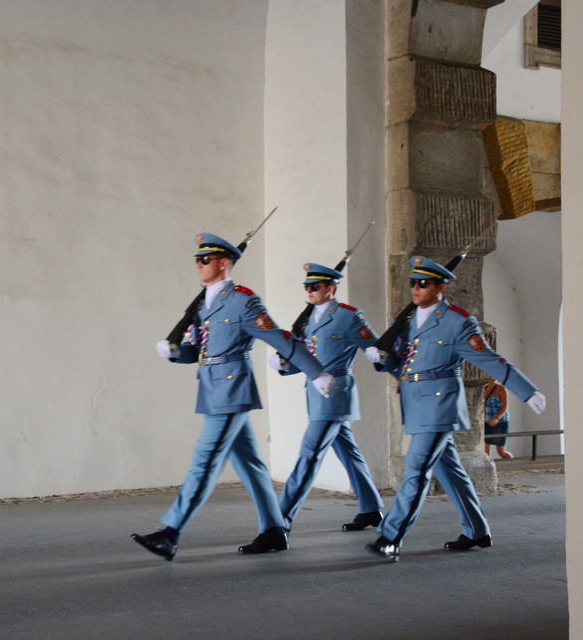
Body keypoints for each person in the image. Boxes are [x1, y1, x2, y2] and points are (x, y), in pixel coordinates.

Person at [131, 233, 335, 561]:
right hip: (212, 389)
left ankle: (170, 534)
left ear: (224, 263)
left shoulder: (242, 300)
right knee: (250, 463)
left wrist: (316, 371)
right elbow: (198, 351)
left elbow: (280, 338)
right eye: (197, 259)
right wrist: (174, 352)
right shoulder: (203, 303)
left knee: (205, 460)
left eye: (205, 260)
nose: (199, 265)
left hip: (232, 389)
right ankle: (274, 531)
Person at [363, 256, 546, 561]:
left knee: (416, 469)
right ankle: (477, 529)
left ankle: (390, 536)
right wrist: (384, 361)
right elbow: (405, 367)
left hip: (439, 405)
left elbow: (489, 359)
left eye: (424, 283)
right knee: (451, 473)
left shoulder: (457, 321)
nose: (416, 288)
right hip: (415, 403)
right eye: (413, 283)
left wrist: (526, 391)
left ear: (441, 287)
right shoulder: (406, 320)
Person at [268, 263, 385, 532]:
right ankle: (370, 509)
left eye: (315, 286)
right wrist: (287, 365)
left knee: (309, 454)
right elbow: (310, 359)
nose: (309, 291)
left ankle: (280, 519)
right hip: (315, 393)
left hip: (335, 394)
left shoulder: (348, 316)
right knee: (348, 453)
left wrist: (382, 357)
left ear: (330, 289)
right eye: (306, 286)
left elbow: (376, 347)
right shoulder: (308, 319)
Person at [484, 379, 513, 458]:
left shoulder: (501, 389)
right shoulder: (485, 388)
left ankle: (511, 463)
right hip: (486, 422)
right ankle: (488, 468)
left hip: (500, 423)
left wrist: (496, 418)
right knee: (485, 450)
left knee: (501, 451)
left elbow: (505, 407)